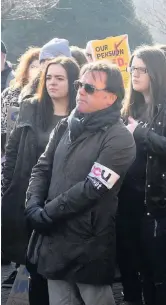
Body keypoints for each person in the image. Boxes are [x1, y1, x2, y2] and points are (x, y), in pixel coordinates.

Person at [23, 61, 135, 305]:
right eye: (79, 84)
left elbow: (92, 187)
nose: (80, 91)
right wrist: (32, 205)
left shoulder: (120, 137)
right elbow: (42, 168)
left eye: (89, 88)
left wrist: (47, 213)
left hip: (89, 242)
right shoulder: (66, 125)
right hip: (54, 237)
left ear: (110, 98)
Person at [118, 46, 166, 305]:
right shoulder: (130, 107)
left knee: (164, 274)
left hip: (163, 204)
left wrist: (141, 133)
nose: (134, 74)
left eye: (141, 69)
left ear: (156, 72)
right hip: (131, 203)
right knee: (145, 274)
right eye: (132, 68)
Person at [2, 57, 79, 304]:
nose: (52, 83)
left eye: (59, 78)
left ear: (73, 82)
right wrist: (7, 186)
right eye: (48, 77)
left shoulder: (81, 115)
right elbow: (12, 150)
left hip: (65, 203)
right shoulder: (31, 107)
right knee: (34, 268)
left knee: (62, 274)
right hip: (29, 198)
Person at [1, 47, 40, 153]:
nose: (37, 71)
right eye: (33, 67)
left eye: (41, 68)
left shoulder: (48, 95)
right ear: (26, 69)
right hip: (8, 148)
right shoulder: (10, 93)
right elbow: (2, 125)